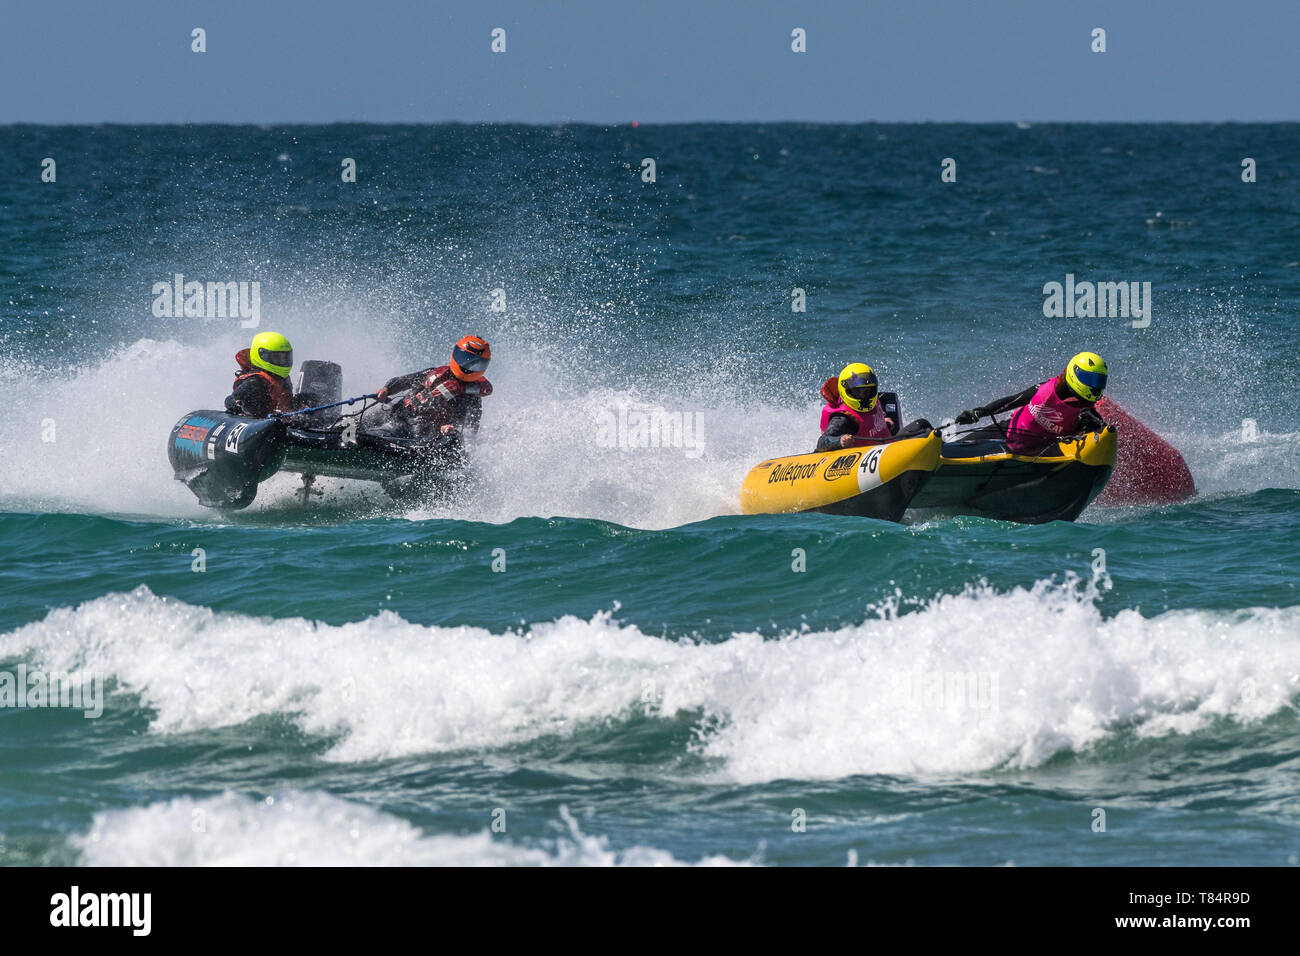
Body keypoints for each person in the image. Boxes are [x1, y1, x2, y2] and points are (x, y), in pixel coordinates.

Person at [955, 351, 1108, 452]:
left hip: (1039, 452)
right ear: (1074, 373)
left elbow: (1098, 429)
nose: (1095, 386)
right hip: (1007, 431)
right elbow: (1011, 401)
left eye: (1099, 381)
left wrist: (1097, 429)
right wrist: (978, 413)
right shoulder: (1045, 388)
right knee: (958, 448)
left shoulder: (1085, 412)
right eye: (1090, 379)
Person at [372, 335, 493, 440]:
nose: (467, 367)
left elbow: (470, 432)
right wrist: (386, 389)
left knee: (388, 431)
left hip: (422, 434)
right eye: (464, 359)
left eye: (475, 364)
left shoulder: (473, 398)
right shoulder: (435, 373)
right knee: (367, 419)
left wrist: (450, 429)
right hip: (397, 413)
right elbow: (404, 381)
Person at [816, 362, 930, 451]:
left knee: (922, 424)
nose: (863, 396)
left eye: (866, 392)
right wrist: (840, 441)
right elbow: (822, 442)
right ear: (846, 391)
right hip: (859, 459)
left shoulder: (874, 400)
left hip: (888, 448)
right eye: (858, 392)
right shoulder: (842, 419)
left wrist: (882, 421)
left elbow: (866, 420)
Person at [225, 331, 299, 417]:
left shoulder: (282, 379)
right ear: (261, 355)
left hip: (278, 420)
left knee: (307, 398)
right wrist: (235, 404)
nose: (282, 362)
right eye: (276, 357)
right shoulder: (254, 382)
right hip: (254, 422)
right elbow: (230, 400)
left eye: (284, 358)